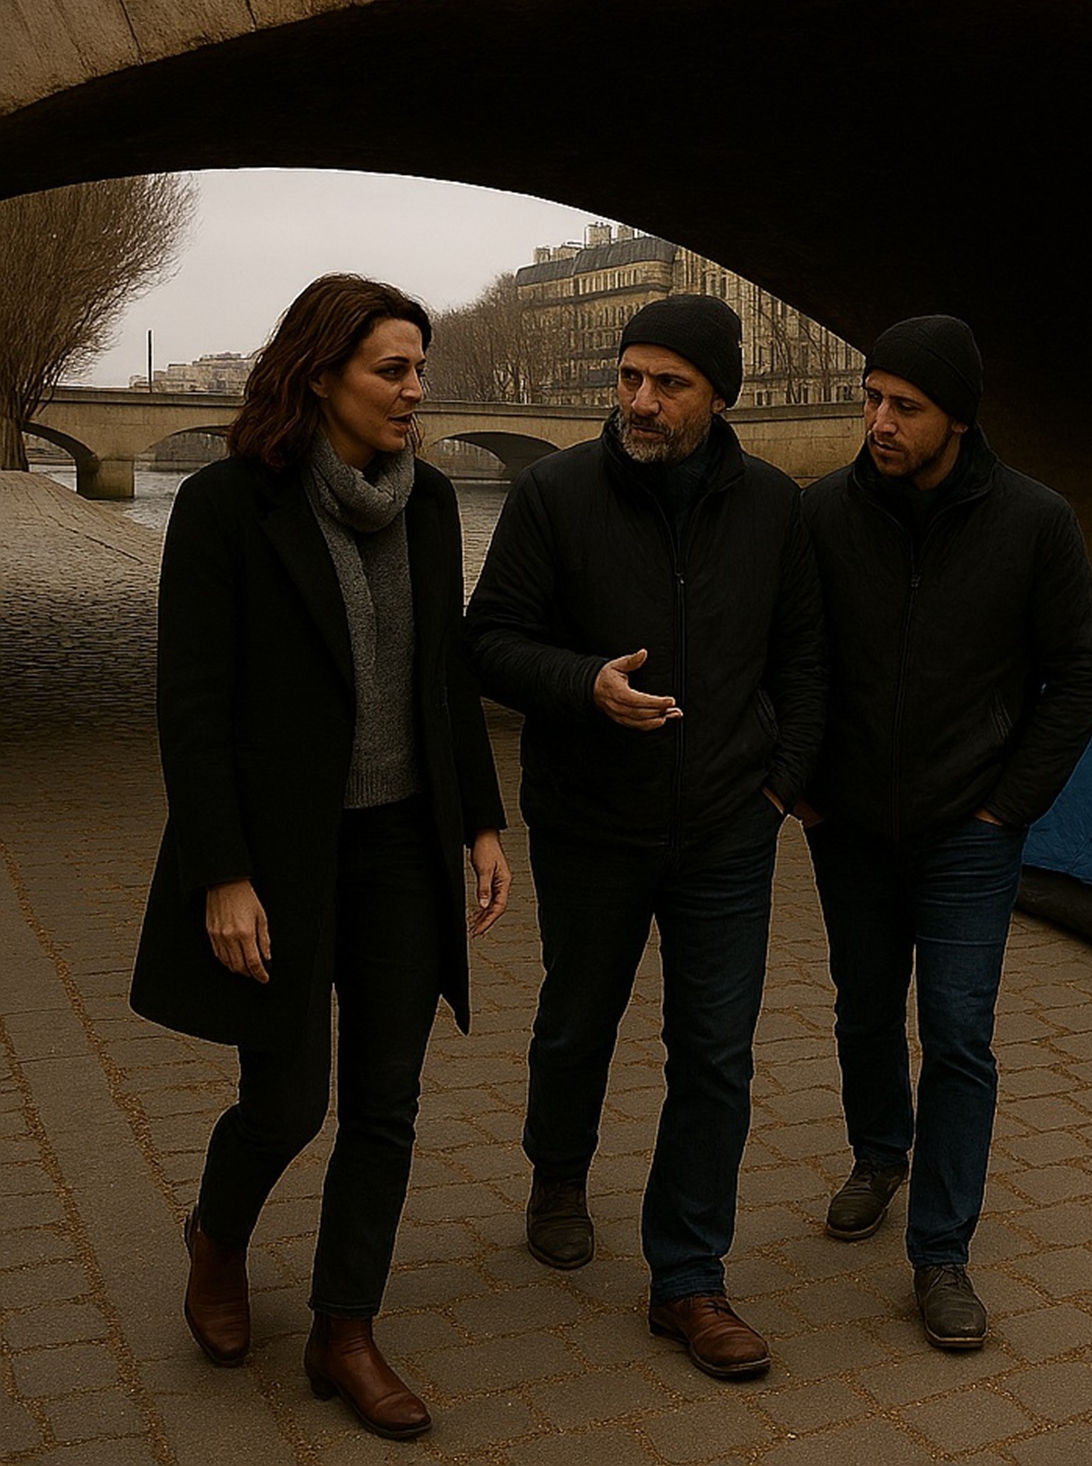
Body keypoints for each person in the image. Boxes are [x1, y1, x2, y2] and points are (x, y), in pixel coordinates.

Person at [132, 274, 511, 1442]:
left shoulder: (431, 501)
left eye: (419, 369)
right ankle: (218, 1235)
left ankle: (345, 1329)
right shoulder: (226, 504)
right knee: (288, 1100)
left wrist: (481, 822)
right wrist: (222, 872)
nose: (415, 390)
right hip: (284, 854)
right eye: (393, 369)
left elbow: (444, 673)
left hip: (402, 843)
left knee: (386, 1100)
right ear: (319, 373)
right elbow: (193, 705)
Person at [464, 293, 823, 1379]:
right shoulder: (555, 493)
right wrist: (584, 684)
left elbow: (807, 662)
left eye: (670, 383)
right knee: (578, 1020)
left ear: (721, 396)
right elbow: (488, 642)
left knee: (714, 1052)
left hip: (727, 830)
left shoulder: (774, 507)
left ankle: (690, 1278)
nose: (642, 401)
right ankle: (558, 1175)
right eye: (630, 376)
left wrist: (777, 790)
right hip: (589, 823)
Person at [796, 313, 1092, 1350]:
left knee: (960, 1034)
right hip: (848, 822)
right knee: (862, 1007)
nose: (879, 422)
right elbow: (787, 658)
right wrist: (803, 791)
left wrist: (1004, 806)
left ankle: (941, 1254)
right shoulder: (825, 513)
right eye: (871, 398)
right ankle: (879, 1153)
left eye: (906, 406)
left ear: (960, 420)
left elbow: (1079, 678)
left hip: (971, 830)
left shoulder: (1036, 522)